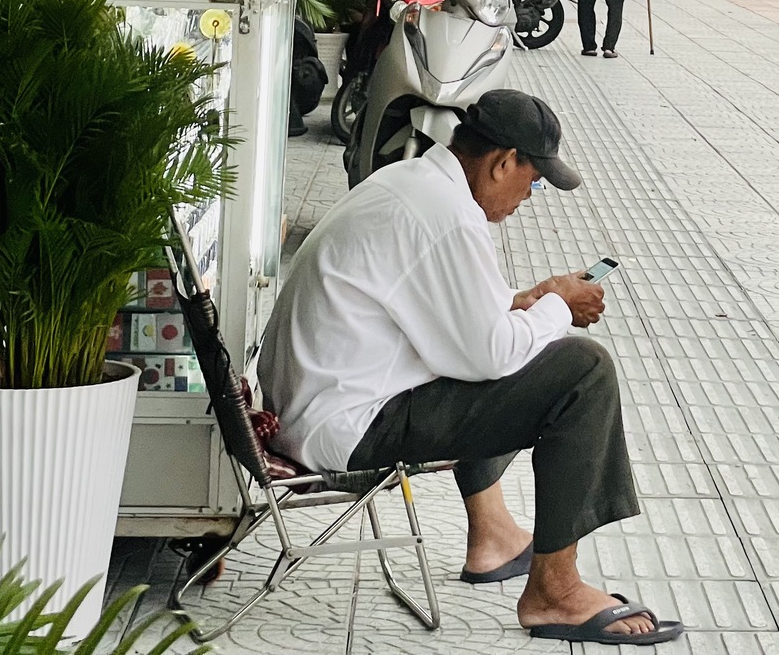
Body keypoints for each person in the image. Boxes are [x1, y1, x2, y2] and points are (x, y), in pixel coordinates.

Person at [257, 91, 681, 646]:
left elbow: (456, 317)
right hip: (345, 429)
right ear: (503, 161)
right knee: (581, 371)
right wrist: (558, 307)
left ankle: (495, 537)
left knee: (522, 352)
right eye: (532, 181)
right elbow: (491, 354)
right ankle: (554, 590)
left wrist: (530, 299)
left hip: (312, 408)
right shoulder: (448, 217)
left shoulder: (411, 183)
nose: (530, 197)